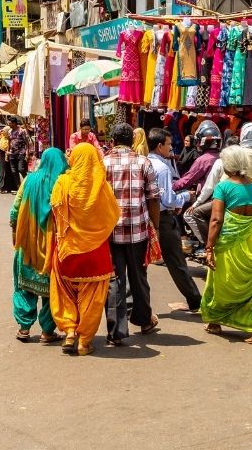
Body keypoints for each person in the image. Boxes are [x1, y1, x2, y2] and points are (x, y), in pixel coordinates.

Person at [46, 143, 119, 356]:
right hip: (95, 254)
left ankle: (69, 331)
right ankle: (84, 342)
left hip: (67, 251)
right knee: (93, 298)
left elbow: (55, 213)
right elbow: (113, 216)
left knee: (64, 292)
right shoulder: (102, 186)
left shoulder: (63, 182)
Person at [201, 145, 252, 348]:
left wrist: (208, 248)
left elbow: (216, 220)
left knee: (221, 281)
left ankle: (215, 321)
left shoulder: (223, 188)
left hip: (229, 243)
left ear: (228, 166)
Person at [102, 122, 160, 346]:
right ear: (131, 141)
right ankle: (144, 321)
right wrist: (154, 227)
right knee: (139, 277)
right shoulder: (143, 162)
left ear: (113, 141)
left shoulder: (103, 163)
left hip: (110, 231)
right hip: (138, 231)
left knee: (115, 280)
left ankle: (116, 331)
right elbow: (153, 197)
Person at [9, 147, 67, 344]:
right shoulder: (62, 183)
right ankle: (47, 332)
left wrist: (15, 235)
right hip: (53, 245)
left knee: (24, 287)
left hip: (28, 244)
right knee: (52, 290)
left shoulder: (29, 179)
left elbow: (15, 210)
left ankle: (24, 328)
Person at [147, 128, 200, 313]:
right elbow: (168, 199)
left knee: (139, 265)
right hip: (162, 219)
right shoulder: (162, 168)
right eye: (169, 144)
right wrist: (185, 196)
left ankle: (139, 308)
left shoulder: (145, 163)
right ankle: (195, 300)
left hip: (145, 218)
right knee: (176, 262)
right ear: (160, 146)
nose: (171, 148)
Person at [5, 118, 28, 194]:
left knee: (21, 169)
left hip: (21, 153)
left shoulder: (22, 131)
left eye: (10, 123)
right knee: (14, 171)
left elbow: (26, 142)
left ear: (14, 123)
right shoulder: (9, 131)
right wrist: (7, 152)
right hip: (12, 154)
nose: (8, 124)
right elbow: (9, 141)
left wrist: (27, 153)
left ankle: (28, 184)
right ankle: (19, 189)